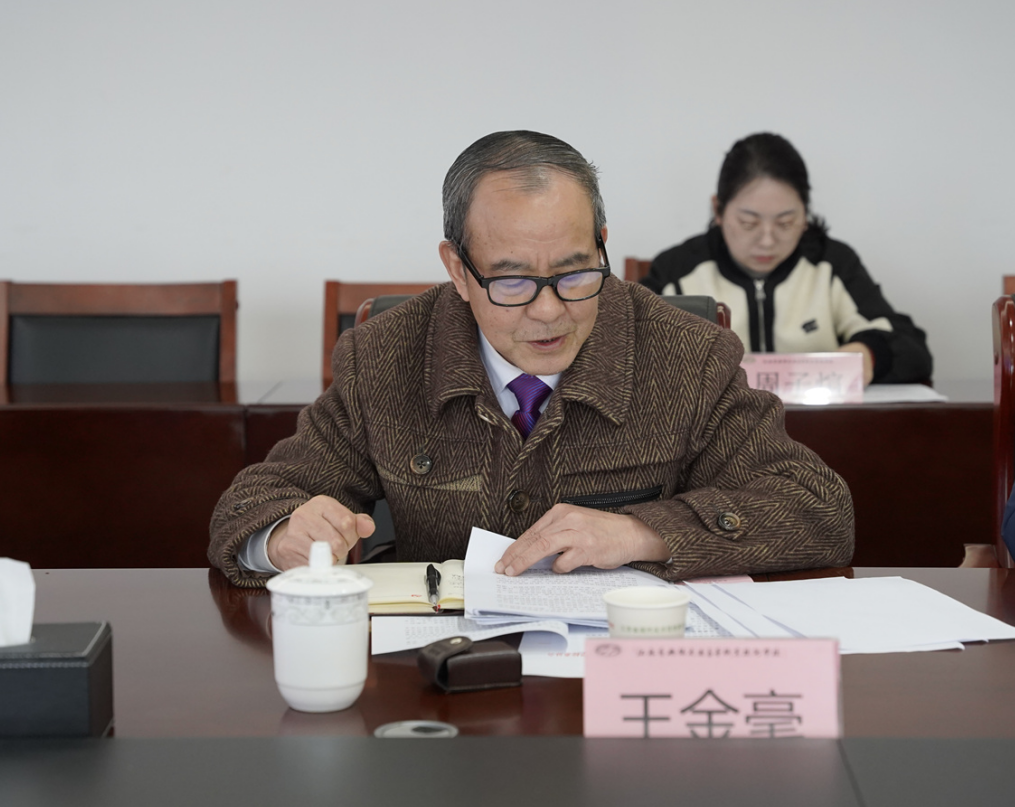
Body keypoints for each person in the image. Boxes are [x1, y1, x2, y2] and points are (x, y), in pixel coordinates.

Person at [209, 130, 853, 588]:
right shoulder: (385, 355)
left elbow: (818, 508)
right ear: (457, 270)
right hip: (440, 677)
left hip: (615, 675)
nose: (548, 311)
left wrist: (642, 532)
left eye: (574, 272)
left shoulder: (687, 355)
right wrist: (283, 536)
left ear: (601, 245)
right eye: (511, 281)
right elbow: (249, 506)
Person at [641, 133, 933, 386]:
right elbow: (625, 349)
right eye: (748, 223)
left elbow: (912, 349)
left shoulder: (831, 264)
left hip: (816, 428)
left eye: (786, 222)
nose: (767, 240)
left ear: (805, 213)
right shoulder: (677, 271)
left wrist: (869, 353)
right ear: (718, 210)